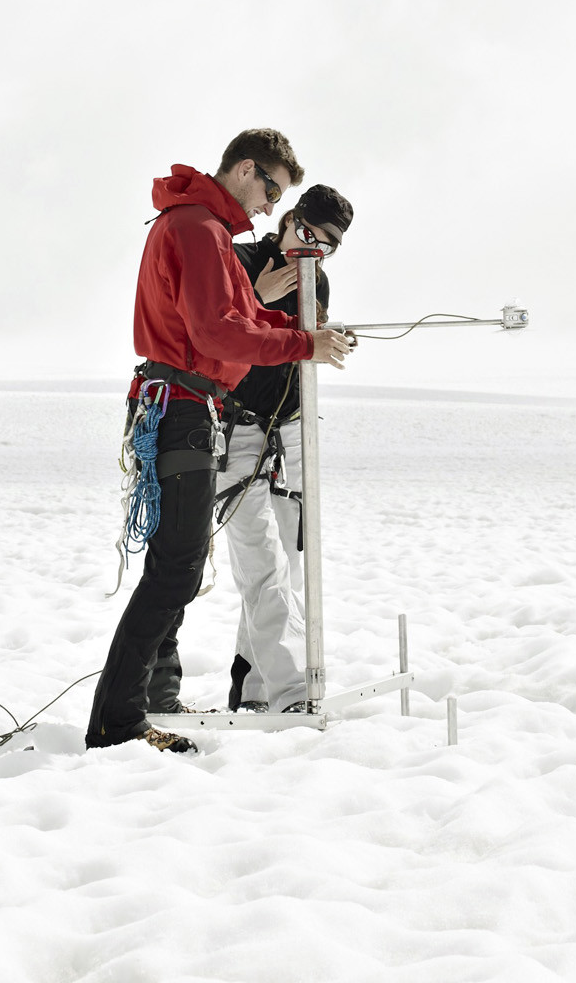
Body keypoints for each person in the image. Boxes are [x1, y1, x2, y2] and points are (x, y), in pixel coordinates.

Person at [85, 129, 353, 754]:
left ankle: (142, 706)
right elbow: (215, 333)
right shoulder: (200, 229)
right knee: (176, 570)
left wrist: (305, 331)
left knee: (176, 567)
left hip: (187, 406)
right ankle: (118, 724)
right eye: (272, 192)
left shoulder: (205, 229)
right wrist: (303, 343)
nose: (268, 206)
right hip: (184, 406)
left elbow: (243, 319)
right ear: (246, 169)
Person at [219, 182, 355, 713]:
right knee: (261, 563)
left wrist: (329, 339)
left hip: (293, 433)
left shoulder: (317, 280)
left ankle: (252, 687)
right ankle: (295, 692)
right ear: (289, 218)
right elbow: (217, 336)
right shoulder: (238, 260)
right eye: (307, 233)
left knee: (290, 566)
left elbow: (302, 350)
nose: (311, 249)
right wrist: (256, 297)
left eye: (325, 245)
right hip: (237, 430)